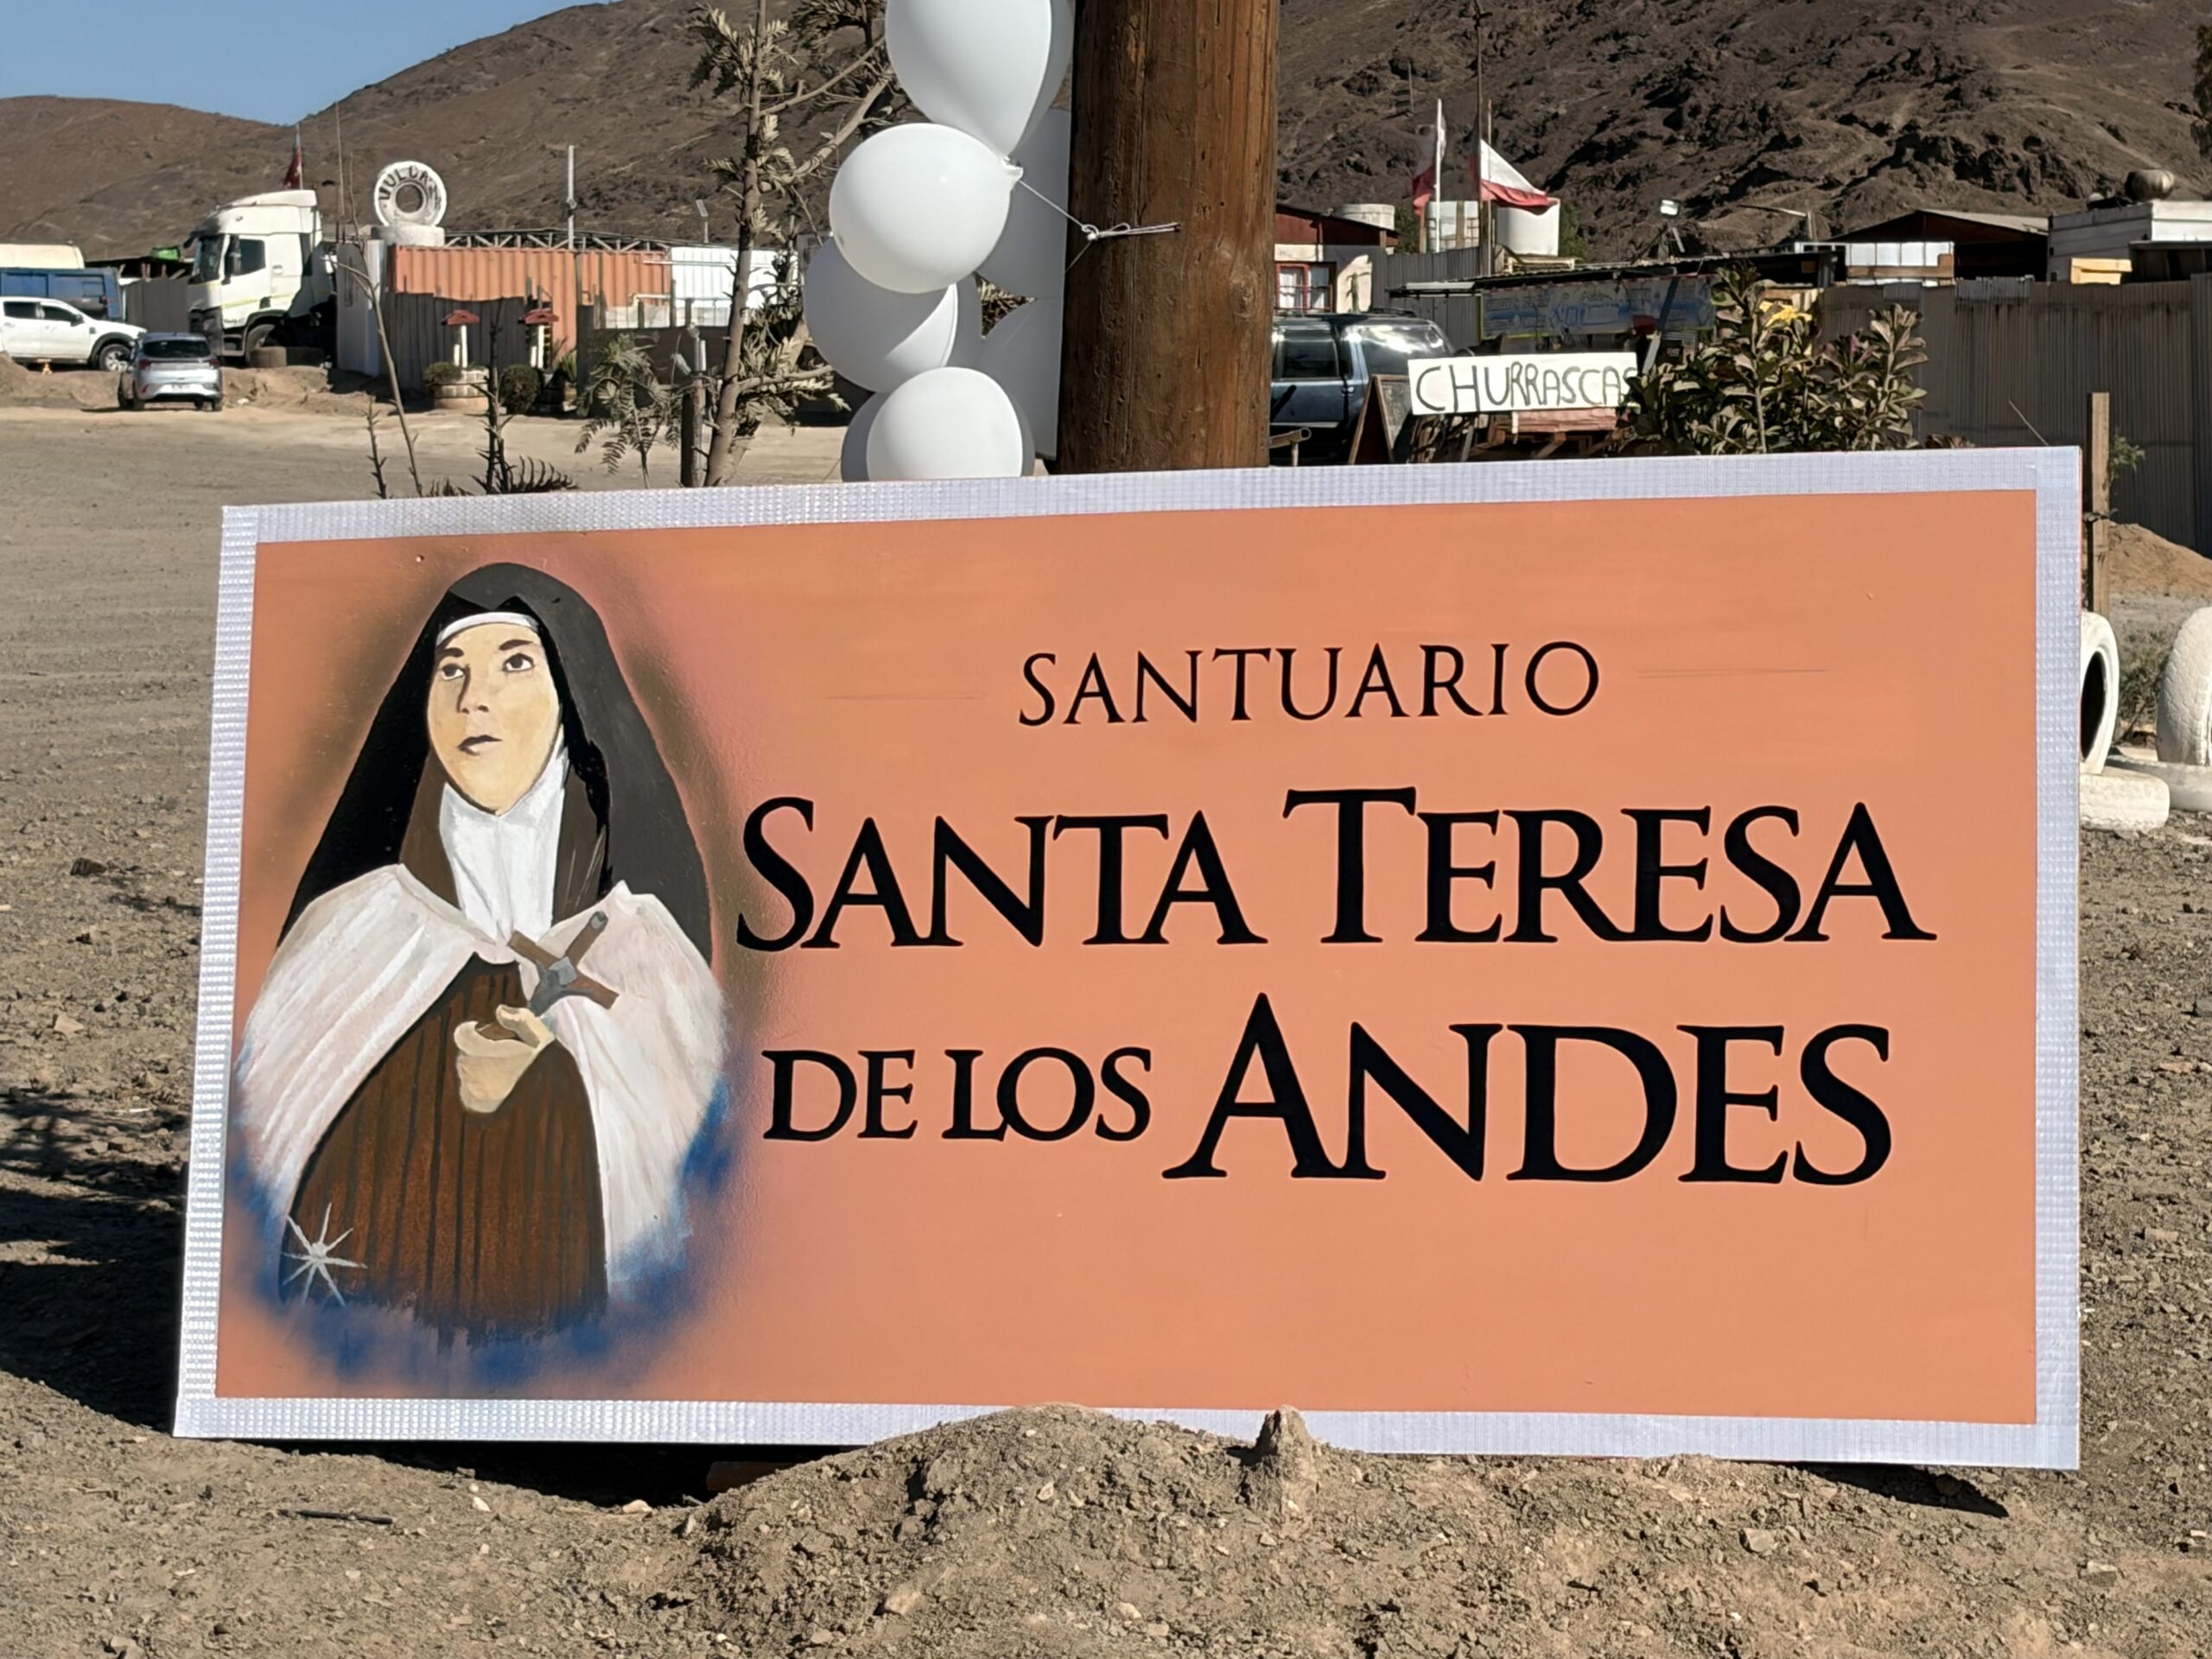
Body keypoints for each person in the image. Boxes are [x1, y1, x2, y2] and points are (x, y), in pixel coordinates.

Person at [233, 565, 725, 1343]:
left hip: (588, 1363)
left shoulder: (643, 951)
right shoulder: (350, 928)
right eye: (452, 670)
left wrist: (551, 1086)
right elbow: (268, 1161)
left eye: (515, 664)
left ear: (573, 701)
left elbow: (686, 1190)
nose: (474, 699)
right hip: (365, 1353)